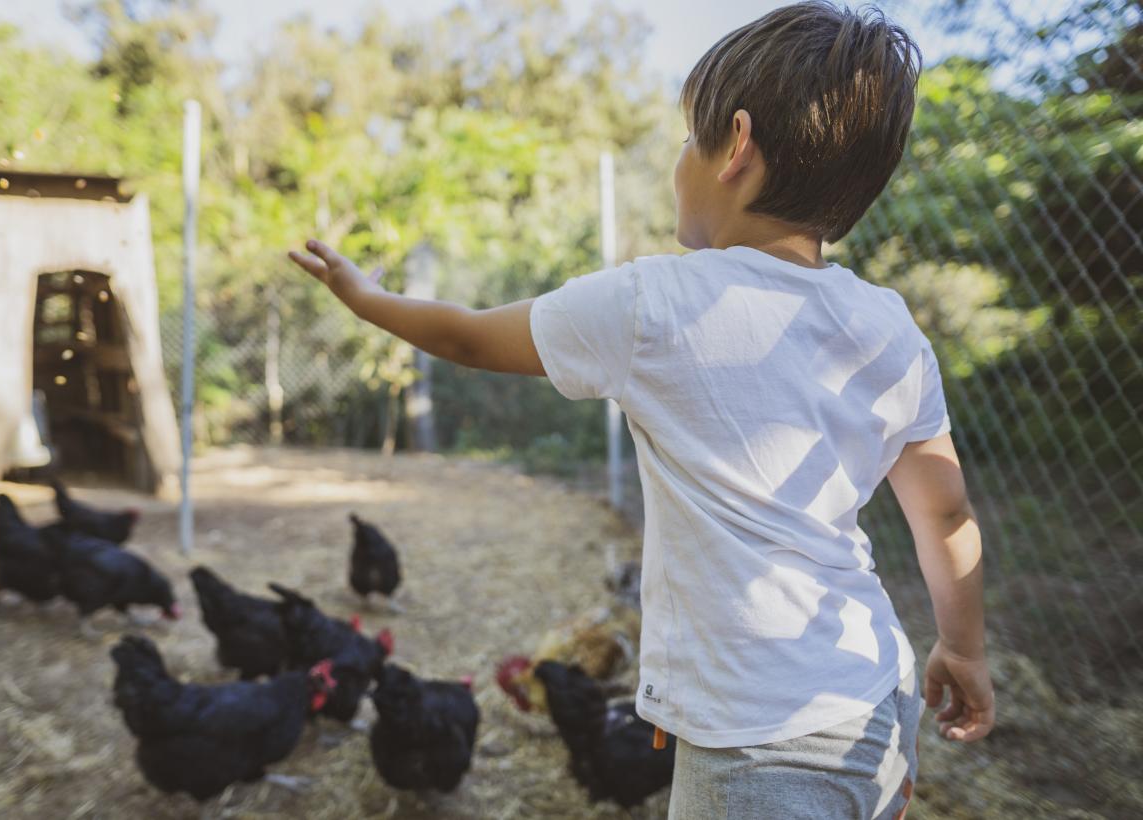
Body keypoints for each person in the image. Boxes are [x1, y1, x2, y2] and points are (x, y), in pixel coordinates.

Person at [289, 2, 994, 816]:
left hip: (750, 734)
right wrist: (964, 649)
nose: (678, 161)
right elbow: (944, 513)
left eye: (687, 138)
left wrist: (368, 296)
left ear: (734, 145)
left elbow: (472, 340)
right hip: (874, 692)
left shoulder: (654, 303)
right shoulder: (889, 327)